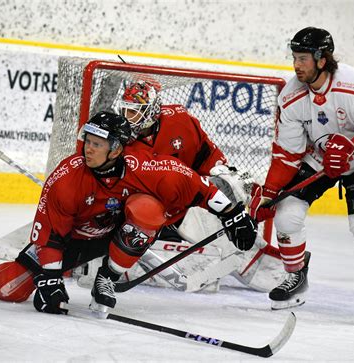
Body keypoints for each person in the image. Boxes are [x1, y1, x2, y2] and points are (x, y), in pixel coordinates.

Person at [0, 111, 257, 314]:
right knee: (11, 288)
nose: (88, 148)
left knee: (148, 212)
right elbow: (50, 237)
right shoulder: (67, 178)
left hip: (115, 230)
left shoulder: (148, 168)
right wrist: (50, 281)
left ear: (116, 148)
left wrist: (234, 214)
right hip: (74, 239)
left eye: (97, 144)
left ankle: (107, 278)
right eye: (88, 141)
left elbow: (201, 187)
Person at [248, 27, 354, 322]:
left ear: (322, 59)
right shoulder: (292, 96)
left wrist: (351, 146)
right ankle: (296, 277)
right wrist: (269, 193)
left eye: (303, 58)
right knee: (286, 214)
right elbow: (287, 155)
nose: (296, 65)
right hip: (319, 160)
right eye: (294, 57)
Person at [117, 80, 286, 289]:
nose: (126, 118)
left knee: (229, 182)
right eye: (124, 111)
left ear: (151, 111)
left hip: (186, 198)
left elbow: (208, 157)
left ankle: (266, 260)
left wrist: (234, 194)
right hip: (148, 208)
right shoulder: (119, 138)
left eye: (133, 112)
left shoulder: (179, 120)